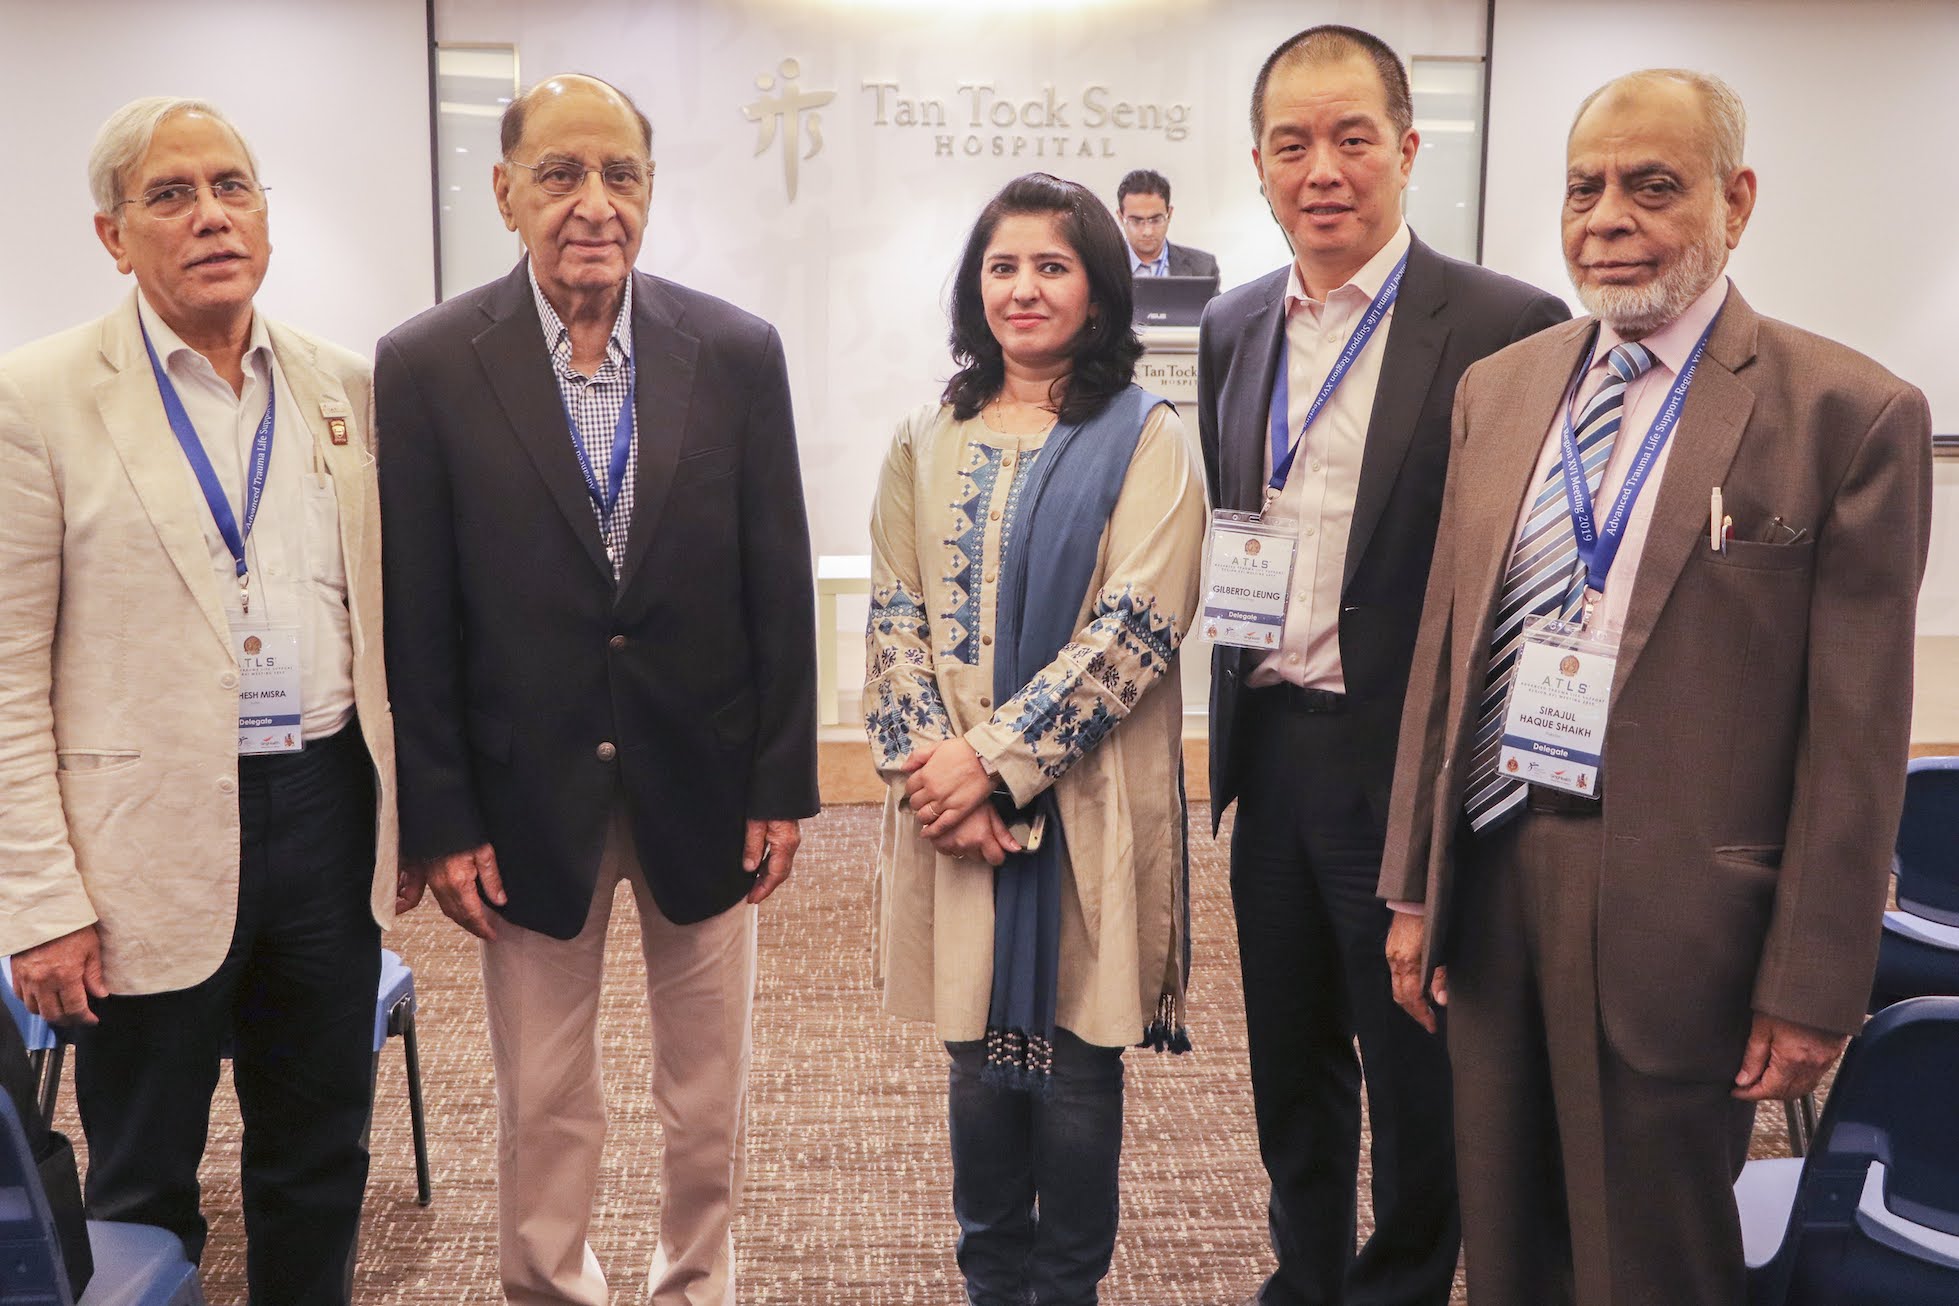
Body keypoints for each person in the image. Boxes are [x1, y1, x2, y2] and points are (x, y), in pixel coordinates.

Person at [1380, 69, 1933, 1306]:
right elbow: (1446, 654)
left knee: (1653, 1261)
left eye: (1652, 185)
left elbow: (1855, 738)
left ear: (1736, 201)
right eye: (1584, 188)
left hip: (1685, 920)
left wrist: (1813, 983)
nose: (1608, 217)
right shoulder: (1500, 390)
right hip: (1492, 874)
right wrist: (1415, 886)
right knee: (1507, 1243)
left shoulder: (1848, 414)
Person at [376, 73, 818, 1306]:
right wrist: (443, 814)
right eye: (562, 173)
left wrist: (781, 783)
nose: (594, 203)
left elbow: (778, 581)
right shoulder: (427, 363)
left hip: (705, 781)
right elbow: (420, 614)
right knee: (543, 1095)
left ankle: (696, 1284)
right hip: (523, 800)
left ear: (650, 191)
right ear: (505, 191)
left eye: (621, 175)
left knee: (707, 1094)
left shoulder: (734, 352)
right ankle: (549, 1286)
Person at [0, 97, 403, 1303]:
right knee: (141, 1179)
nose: (211, 216)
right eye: (171, 195)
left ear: (266, 216)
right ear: (113, 236)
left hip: (325, 809)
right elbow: (7, 675)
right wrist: (40, 901)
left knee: (319, 1154)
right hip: (139, 843)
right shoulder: (37, 398)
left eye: (232, 187)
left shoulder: (345, 387)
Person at [1196, 26, 1568, 1306]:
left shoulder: (1509, 325)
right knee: (1290, 1061)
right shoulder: (1236, 324)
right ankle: (1304, 1279)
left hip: (1409, 765)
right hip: (1273, 753)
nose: (1323, 170)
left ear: (1407, 150)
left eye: (1352, 138)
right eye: (1292, 144)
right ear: (1258, 164)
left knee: (1418, 1070)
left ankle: (1402, 1288)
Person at [868, 171, 1206, 1306]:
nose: (1023, 288)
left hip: (1085, 803)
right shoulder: (926, 436)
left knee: (1075, 1066)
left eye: (1052, 266)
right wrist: (938, 778)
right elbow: (895, 617)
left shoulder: (1146, 438)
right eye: (1003, 265)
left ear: (1098, 293)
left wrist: (991, 768)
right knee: (974, 1063)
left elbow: (1136, 629)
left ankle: (1066, 1289)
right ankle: (990, 1284)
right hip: (954, 817)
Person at [1116, 168, 1219, 278]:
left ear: (1169, 214)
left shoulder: (1203, 267)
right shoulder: (1104, 267)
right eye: (1136, 221)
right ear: (1121, 218)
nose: (1147, 231)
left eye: (1156, 220)